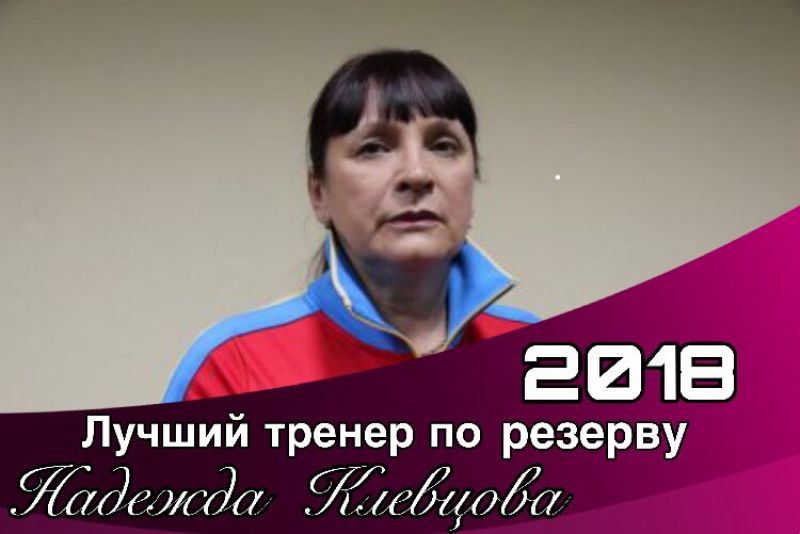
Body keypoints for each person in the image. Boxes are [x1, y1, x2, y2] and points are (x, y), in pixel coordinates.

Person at [162, 49, 538, 402]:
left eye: (442, 145)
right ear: (319, 193)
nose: (417, 174)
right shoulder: (234, 368)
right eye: (373, 148)